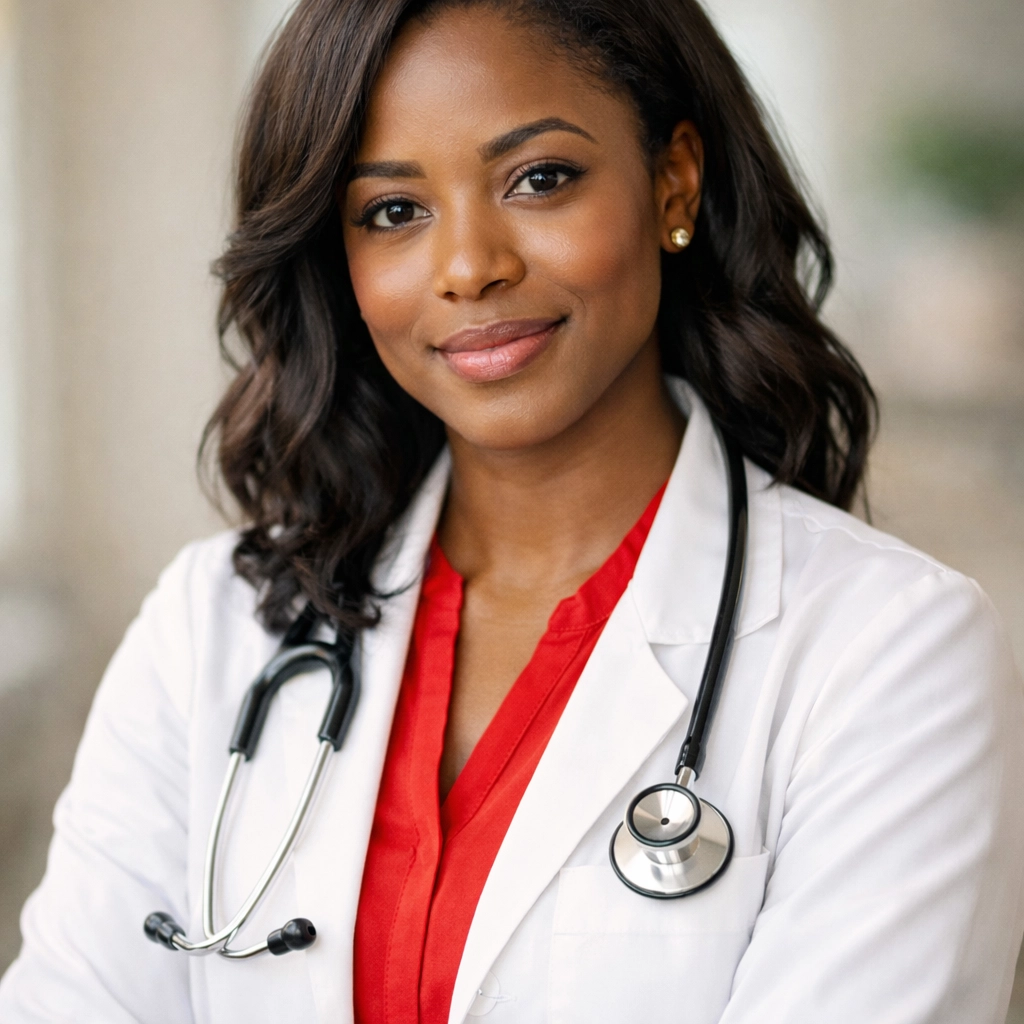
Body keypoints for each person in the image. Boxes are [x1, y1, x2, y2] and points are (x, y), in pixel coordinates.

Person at [2, 0, 1022, 1020]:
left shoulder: (889, 651)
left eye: (539, 178)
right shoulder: (215, 626)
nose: (468, 265)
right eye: (394, 212)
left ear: (673, 178)